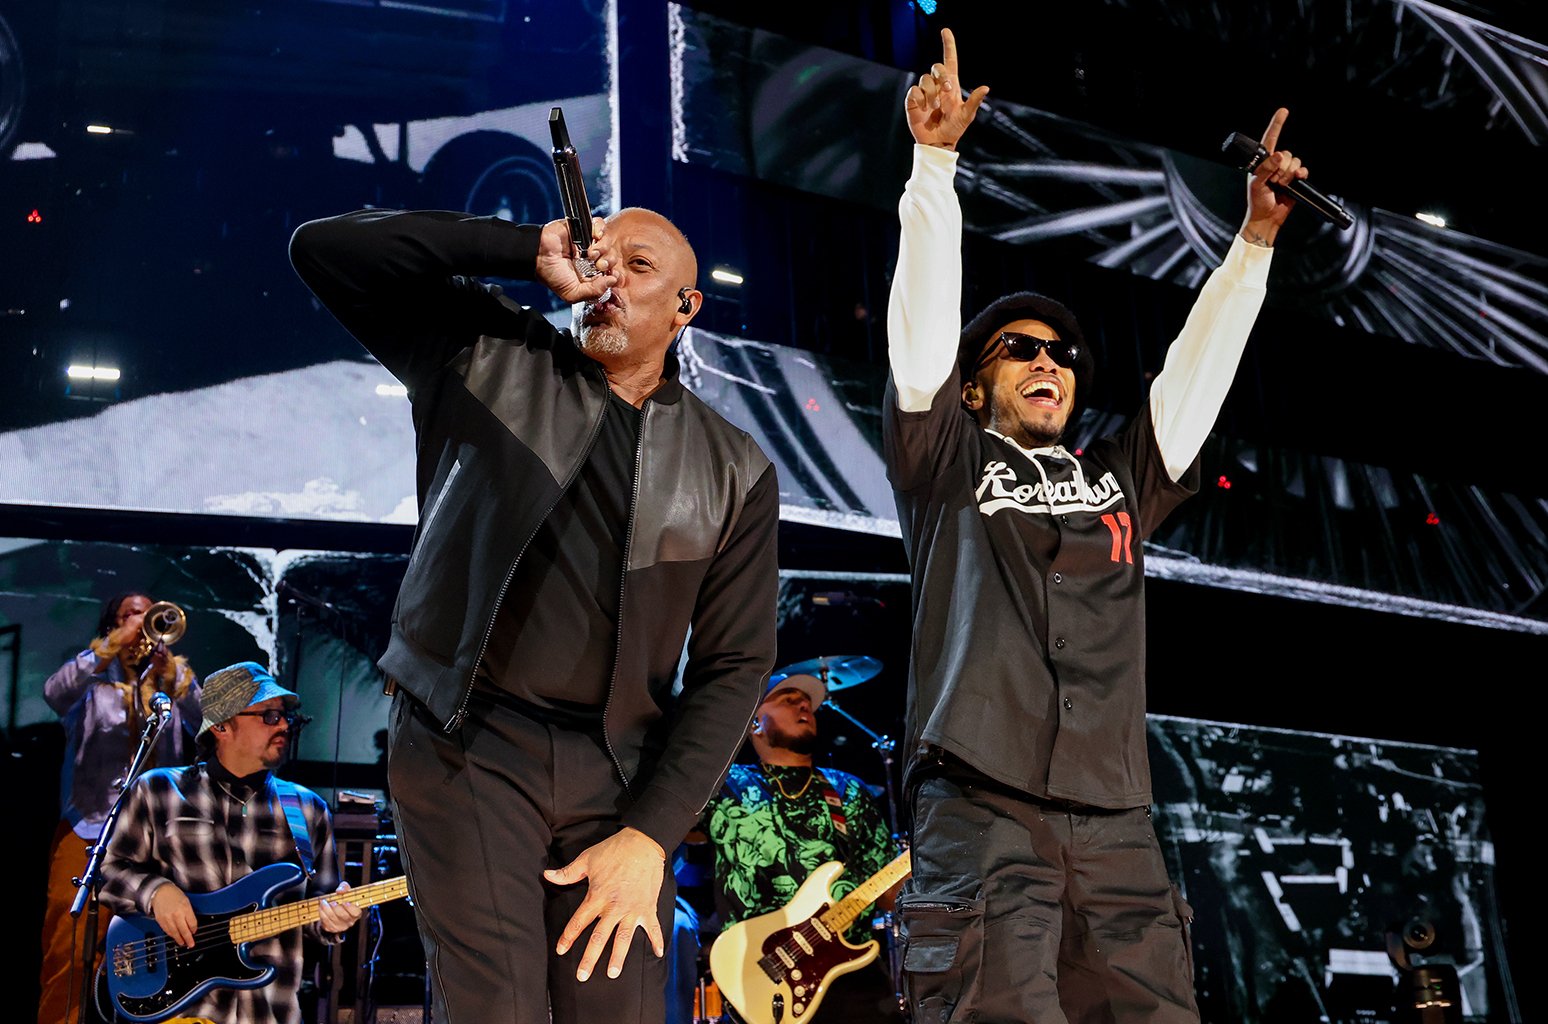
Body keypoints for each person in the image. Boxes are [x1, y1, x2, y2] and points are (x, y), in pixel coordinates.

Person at [883, 29, 1311, 1023]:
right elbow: (919, 339)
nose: (1049, 359)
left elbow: (1193, 384)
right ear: (978, 378)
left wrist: (1252, 244)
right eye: (1019, 347)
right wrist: (934, 165)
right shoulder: (945, 461)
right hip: (979, 800)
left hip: (1116, 817)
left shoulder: (1118, 476)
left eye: (1064, 353)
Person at [288, 193, 780, 1024]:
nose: (609, 275)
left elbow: (736, 664)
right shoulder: (487, 353)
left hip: (618, 778)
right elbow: (326, 246)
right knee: (497, 1009)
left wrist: (651, 834)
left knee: (617, 1007)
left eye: (639, 265)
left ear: (686, 308)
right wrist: (526, 247)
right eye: (599, 255)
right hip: (466, 747)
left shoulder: (734, 469)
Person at [98, 661, 361, 1024]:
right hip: (181, 1010)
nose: (284, 725)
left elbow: (319, 907)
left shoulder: (308, 809)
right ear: (222, 726)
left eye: (285, 718)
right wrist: (156, 892)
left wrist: (334, 920)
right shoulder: (158, 790)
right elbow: (107, 872)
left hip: (271, 1009)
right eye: (269, 716)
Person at [38, 591, 201, 1024]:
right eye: (132, 615)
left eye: (150, 615)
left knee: (145, 959)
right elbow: (53, 692)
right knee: (68, 949)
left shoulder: (171, 680)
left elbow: (208, 721)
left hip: (155, 842)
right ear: (113, 624)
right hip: (89, 829)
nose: (144, 622)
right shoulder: (91, 679)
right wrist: (108, 647)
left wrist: (176, 677)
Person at [703, 673, 901, 1021]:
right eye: (785, 698)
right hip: (760, 978)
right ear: (754, 724)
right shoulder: (725, 786)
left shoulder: (849, 791)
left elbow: (886, 895)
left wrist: (920, 865)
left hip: (852, 979)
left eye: (805, 701)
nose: (803, 704)